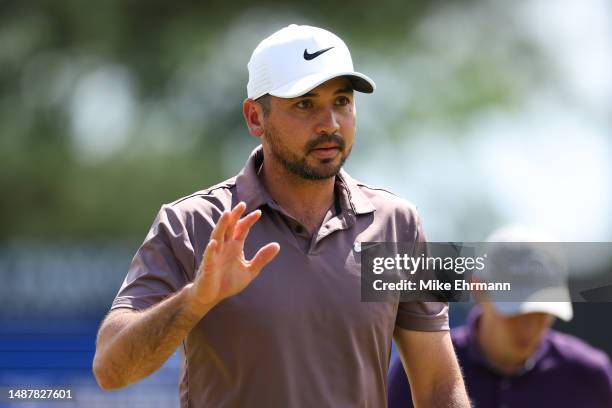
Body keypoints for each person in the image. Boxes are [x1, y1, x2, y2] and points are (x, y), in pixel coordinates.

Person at [92, 24, 470, 407]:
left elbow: (440, 384)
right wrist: (194, 301)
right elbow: (110, 370)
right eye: (305, 103)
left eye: (341, 101)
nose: (330, 124)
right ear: (255, 117)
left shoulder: (398, 224)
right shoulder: (191, 223)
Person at [388, 226, 612, 408]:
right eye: (516, 310)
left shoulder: (589, 375)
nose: (529, 327)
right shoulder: (420, 368)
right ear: (478, 289)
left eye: (542, 313)